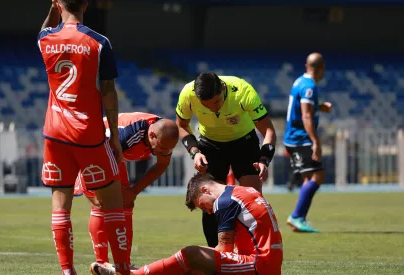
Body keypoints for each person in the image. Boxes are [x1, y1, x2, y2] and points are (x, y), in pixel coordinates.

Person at [38, 0, 131, 273]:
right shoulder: (99, 42)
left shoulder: (46, 39)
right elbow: (109, 92)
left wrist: (53, 7)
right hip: (88, 134)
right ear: (86, 5)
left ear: (57, 4)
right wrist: (114, 136)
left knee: (60, 205)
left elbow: (42, 30)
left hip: (54, 134)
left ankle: (67, 271)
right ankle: (123, 267)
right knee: (114, 200)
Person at [91, 173, 283, 275]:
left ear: (205, 189)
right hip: (265, 262)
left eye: (203, 205)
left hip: (259, 266)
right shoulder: (244, 191)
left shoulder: (225, 202)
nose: (208, 211)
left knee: (191, 254)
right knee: (193, 264)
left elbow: (224, 250)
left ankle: (135, 274)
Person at [176, 72, 277, 248]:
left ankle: (254, 250)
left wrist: (264, 159)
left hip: (244, 142)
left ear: (223, 89)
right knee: (209, 200)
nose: (213, 109)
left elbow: (268, 130)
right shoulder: (187, 93)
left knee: (252, 197)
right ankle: (216, 253)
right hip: (210, 144)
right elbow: (182, 125)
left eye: (216, 102)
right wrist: (195, 152)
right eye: (206, 106)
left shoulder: (243, 91)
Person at [74, 112, 178, 270]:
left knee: (127, 202)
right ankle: (101, 262)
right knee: (101, 206)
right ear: (152, 135)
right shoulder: (127, 135)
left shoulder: (164, 137)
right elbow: (90, 158)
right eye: (163, 148)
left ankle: (124, 263)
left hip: (115, 156)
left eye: (169, 149)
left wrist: (134, 191)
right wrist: (90, 194)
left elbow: (161, 165)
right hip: (96, 152)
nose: (165, 152)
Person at [284, 52, 332, 233]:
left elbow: (302, 107)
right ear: (321, 69)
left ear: (307, 66)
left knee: (308, 177)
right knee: (318, 176)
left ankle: (300, 220)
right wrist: (315, 141)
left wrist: (320, 106)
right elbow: (305, 114)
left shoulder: (299, 81)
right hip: (300, 138)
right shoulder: (309, 86)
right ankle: (296, 216)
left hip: (295, 137)